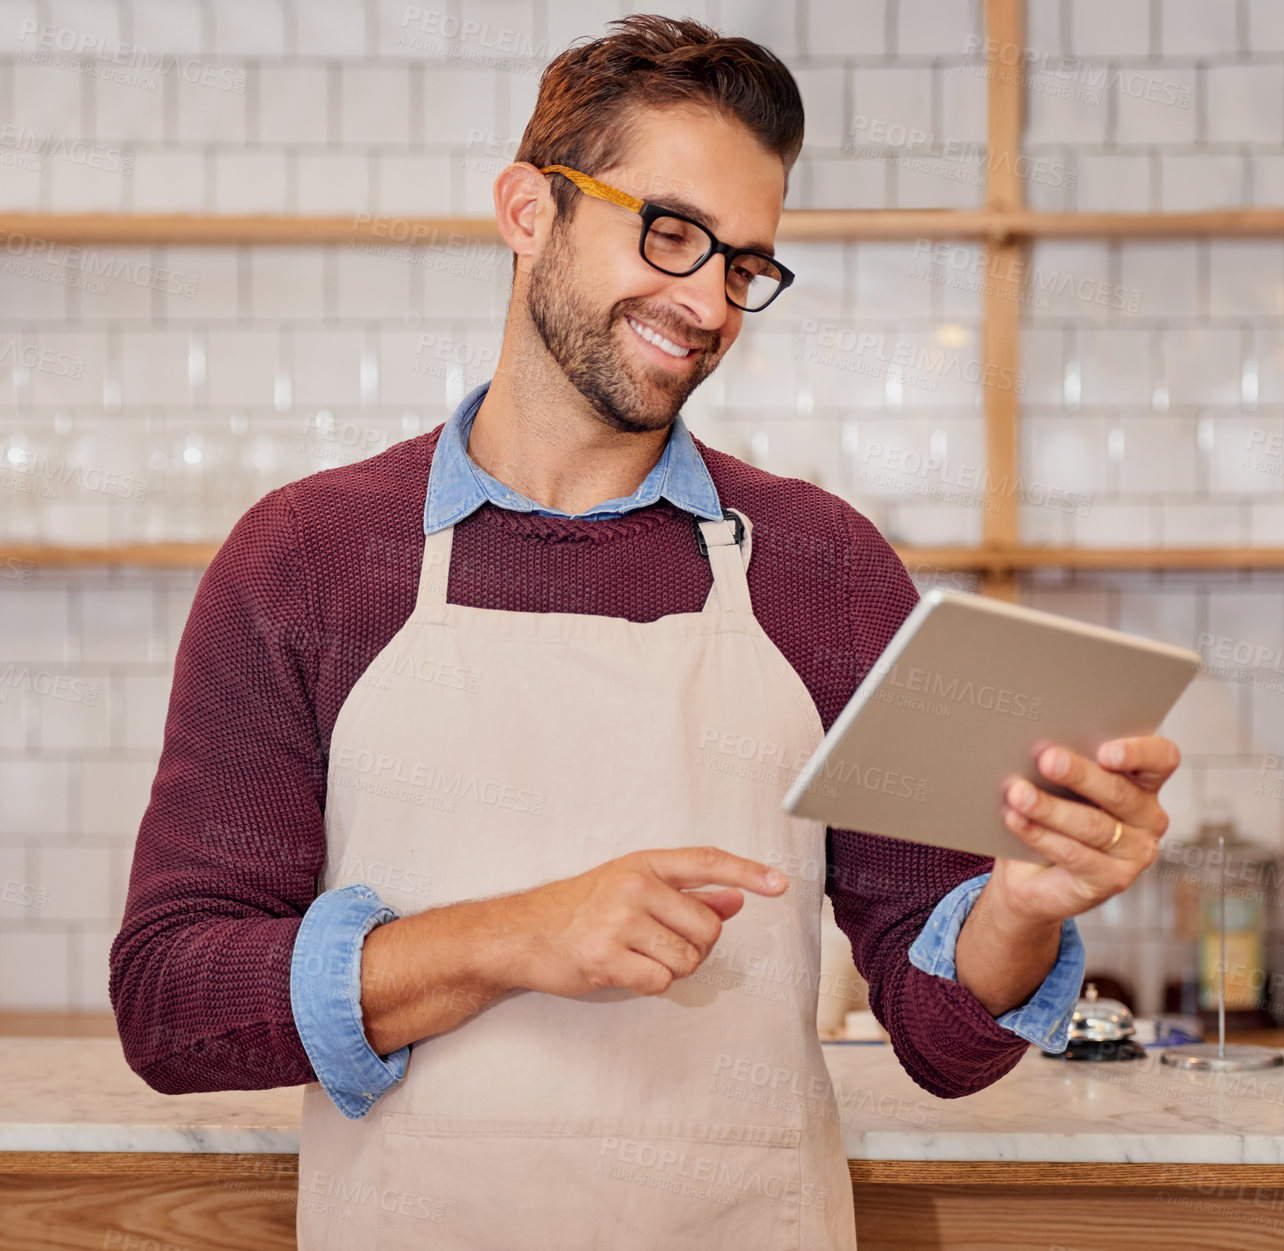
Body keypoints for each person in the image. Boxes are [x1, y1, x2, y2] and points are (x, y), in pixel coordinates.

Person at [110, 16, 1181, 1250]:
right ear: (528, 210)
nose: (706, 301)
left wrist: (1023, 906)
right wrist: (518, 936)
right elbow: (172, 1004)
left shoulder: (823, 566)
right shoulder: (308, 557)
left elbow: (943, 1042)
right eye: (670, 232)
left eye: (744, 264)